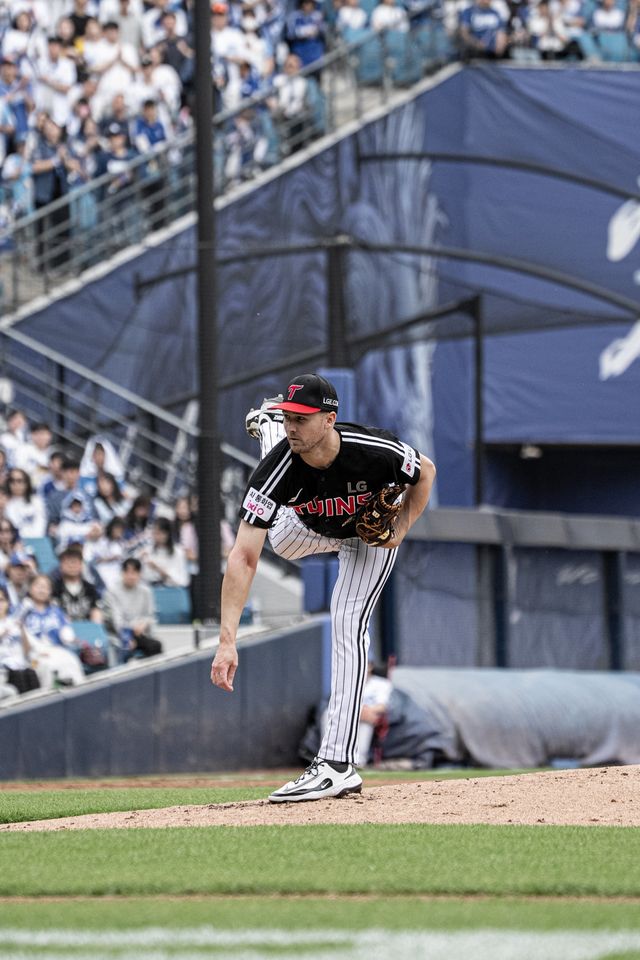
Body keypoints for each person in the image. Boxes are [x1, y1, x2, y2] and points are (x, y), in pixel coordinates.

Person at [211, 372, 435, 802]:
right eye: (288, 418)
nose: (294, 426)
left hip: (367, 537)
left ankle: (336, 764)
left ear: (329, 419)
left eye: (300, 418)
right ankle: (266, 430)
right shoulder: (276, 470)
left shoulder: (375, 450)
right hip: (303, 530)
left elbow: (425, 471)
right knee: (277, 538)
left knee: (348, 623)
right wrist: (227, 641)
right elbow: (243, 557)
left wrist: (402, 528)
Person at [103, 556, 162, 661]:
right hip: (119, 634)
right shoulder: (112, 592)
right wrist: (128, 636)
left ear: (139, 574)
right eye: (127, 572)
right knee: (125, 647)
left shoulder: (146, 592)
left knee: (156, 645)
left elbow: (150, 615)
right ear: (122, 573)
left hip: (141, 633)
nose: (130, 576)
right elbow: (117, 621)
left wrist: (144, 623)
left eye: (134, 573)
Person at [51, 544, 103, 622]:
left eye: (74, 562)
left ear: (81, 565)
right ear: (61, 566)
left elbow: (96, 610)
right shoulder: (54, 588)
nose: (71, 566)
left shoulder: (90, 589)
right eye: (67, 562)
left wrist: (94, 626)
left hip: (87, 627)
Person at [140, 515, 189, 588]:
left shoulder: (178, 552)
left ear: (167, 534)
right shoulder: (147, 550)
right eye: (154, 533)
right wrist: (140, 559)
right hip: (150, 589)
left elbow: (183, 581)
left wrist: (159, 569)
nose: (155, 536)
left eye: (159, 533)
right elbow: (142, 577)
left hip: (171, 590)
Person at [4, 467, 48, 537]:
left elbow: (41, 524)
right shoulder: (7, 505)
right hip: (17, 541)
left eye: (19, 481)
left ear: (26, 483)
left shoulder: (37, 501)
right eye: (12, 481)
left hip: (38, 539)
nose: (15, 484)